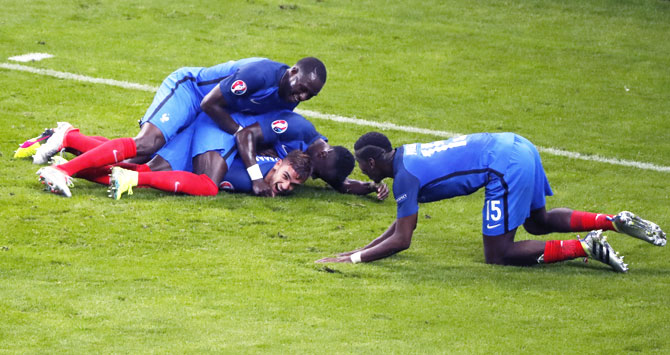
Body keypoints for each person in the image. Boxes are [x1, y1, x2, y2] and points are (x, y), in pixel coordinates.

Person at [316, 132, 666, 273]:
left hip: (503, 167)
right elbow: (398, 225)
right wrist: (358, 249)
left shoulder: (405, 180)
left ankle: (585, 247)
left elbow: (403, 239)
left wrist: (357, 259)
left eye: (362, 165)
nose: (361, 170)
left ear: (373, 163)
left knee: (498, 254)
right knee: (537, 221)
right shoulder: (407, 157)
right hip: (517, 144)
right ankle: (611, 220)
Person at [32, 57, 327, 197]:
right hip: (193, 94)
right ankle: (62, 169)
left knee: (153, 167)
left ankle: (68, 139)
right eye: (300, 88)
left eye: (308, 95)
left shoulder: (291, 102)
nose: (301, 96)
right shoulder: (259, 74)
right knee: (146, 146)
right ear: (292, 71)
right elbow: (210, 104)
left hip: (217, 119)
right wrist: (239, 135)